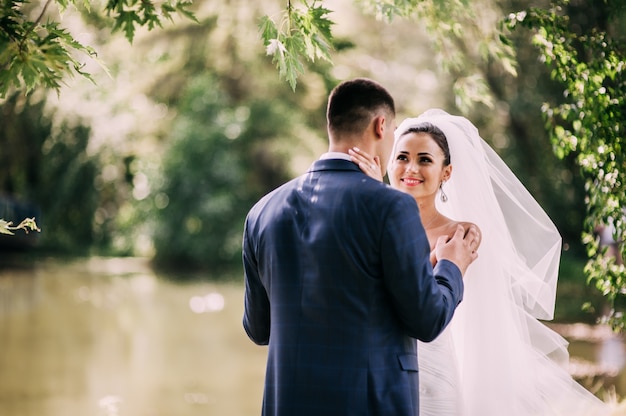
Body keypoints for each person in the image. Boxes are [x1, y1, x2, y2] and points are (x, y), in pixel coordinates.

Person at [350, 109, 612, 416]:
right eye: (402, 157)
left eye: (424, 159)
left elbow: (418, 285)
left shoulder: (462, 233)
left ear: (446, 172)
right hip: (377, 369)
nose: (411, 168)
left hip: (432, 370)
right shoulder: (373, 221)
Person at [242, 80, 479, 416]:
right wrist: (451, 266)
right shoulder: (391, 208)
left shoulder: (261, 213)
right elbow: (428, 320)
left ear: (331, 124)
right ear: (381, 126)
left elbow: (258, 329)